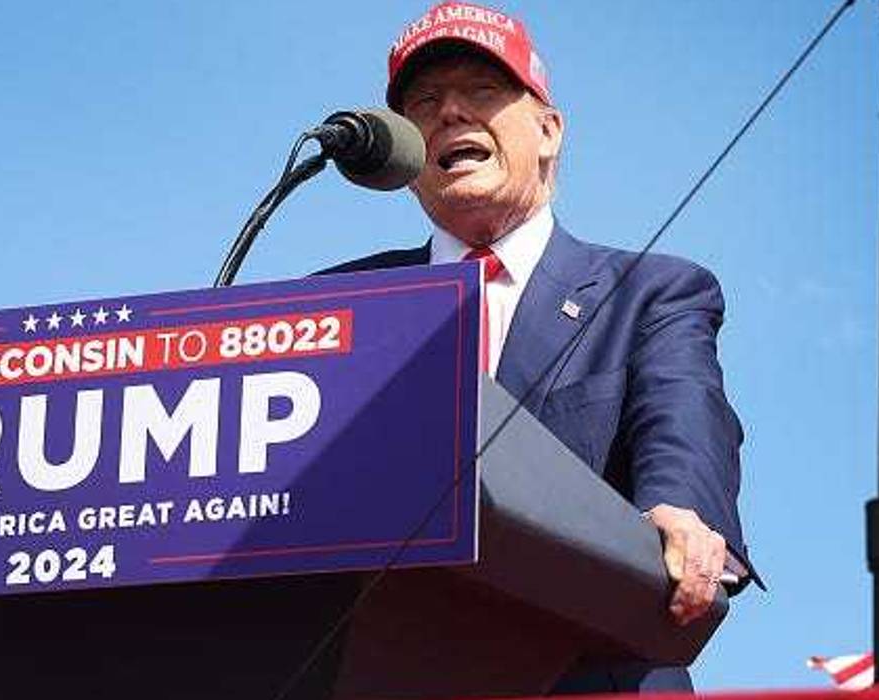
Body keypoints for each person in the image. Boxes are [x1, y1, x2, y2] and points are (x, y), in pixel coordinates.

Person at [322, 2, 760, 693]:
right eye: (424, 102)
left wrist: (678, 511)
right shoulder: (336, 307)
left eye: (483, 92)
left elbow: (684, 419)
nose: (450, 114)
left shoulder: (650, 293)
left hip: (584, 672)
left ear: (548, 131)